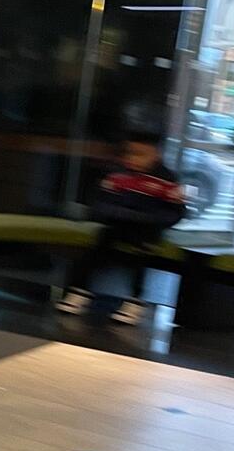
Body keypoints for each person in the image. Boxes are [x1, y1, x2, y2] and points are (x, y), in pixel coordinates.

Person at [58, 133, 187, 323]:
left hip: (147, 229)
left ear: (156, 155)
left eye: (140, 154)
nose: (133, 159)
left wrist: (151, 220)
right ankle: (79, 291)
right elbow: (101, 202)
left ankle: (135, 301)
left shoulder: (167, 180)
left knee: (141, 254)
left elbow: (176, 212)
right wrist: (112, 214)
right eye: (129, 153)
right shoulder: (118, 174)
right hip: (118, 225)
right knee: (96, 249)